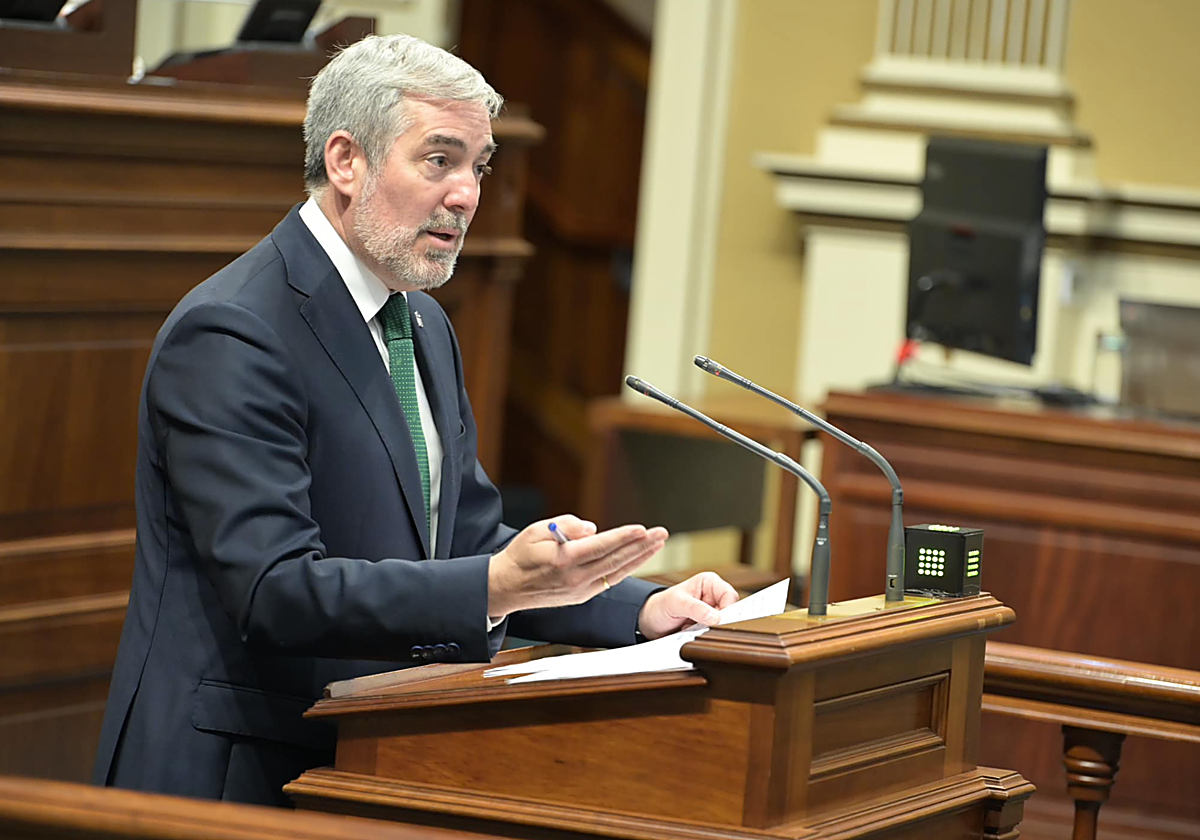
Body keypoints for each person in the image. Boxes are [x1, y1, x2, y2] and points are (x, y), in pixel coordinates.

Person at [93, 33, 738, 807]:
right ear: (345, 161)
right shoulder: (235, 332)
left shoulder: (422, 328)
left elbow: (463, 540)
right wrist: (495, 586)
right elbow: (274, 590)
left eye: (478, 164)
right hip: (234, 775)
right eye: (440, 160)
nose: (467, 193)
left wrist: (636, 606)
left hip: (371, 754)